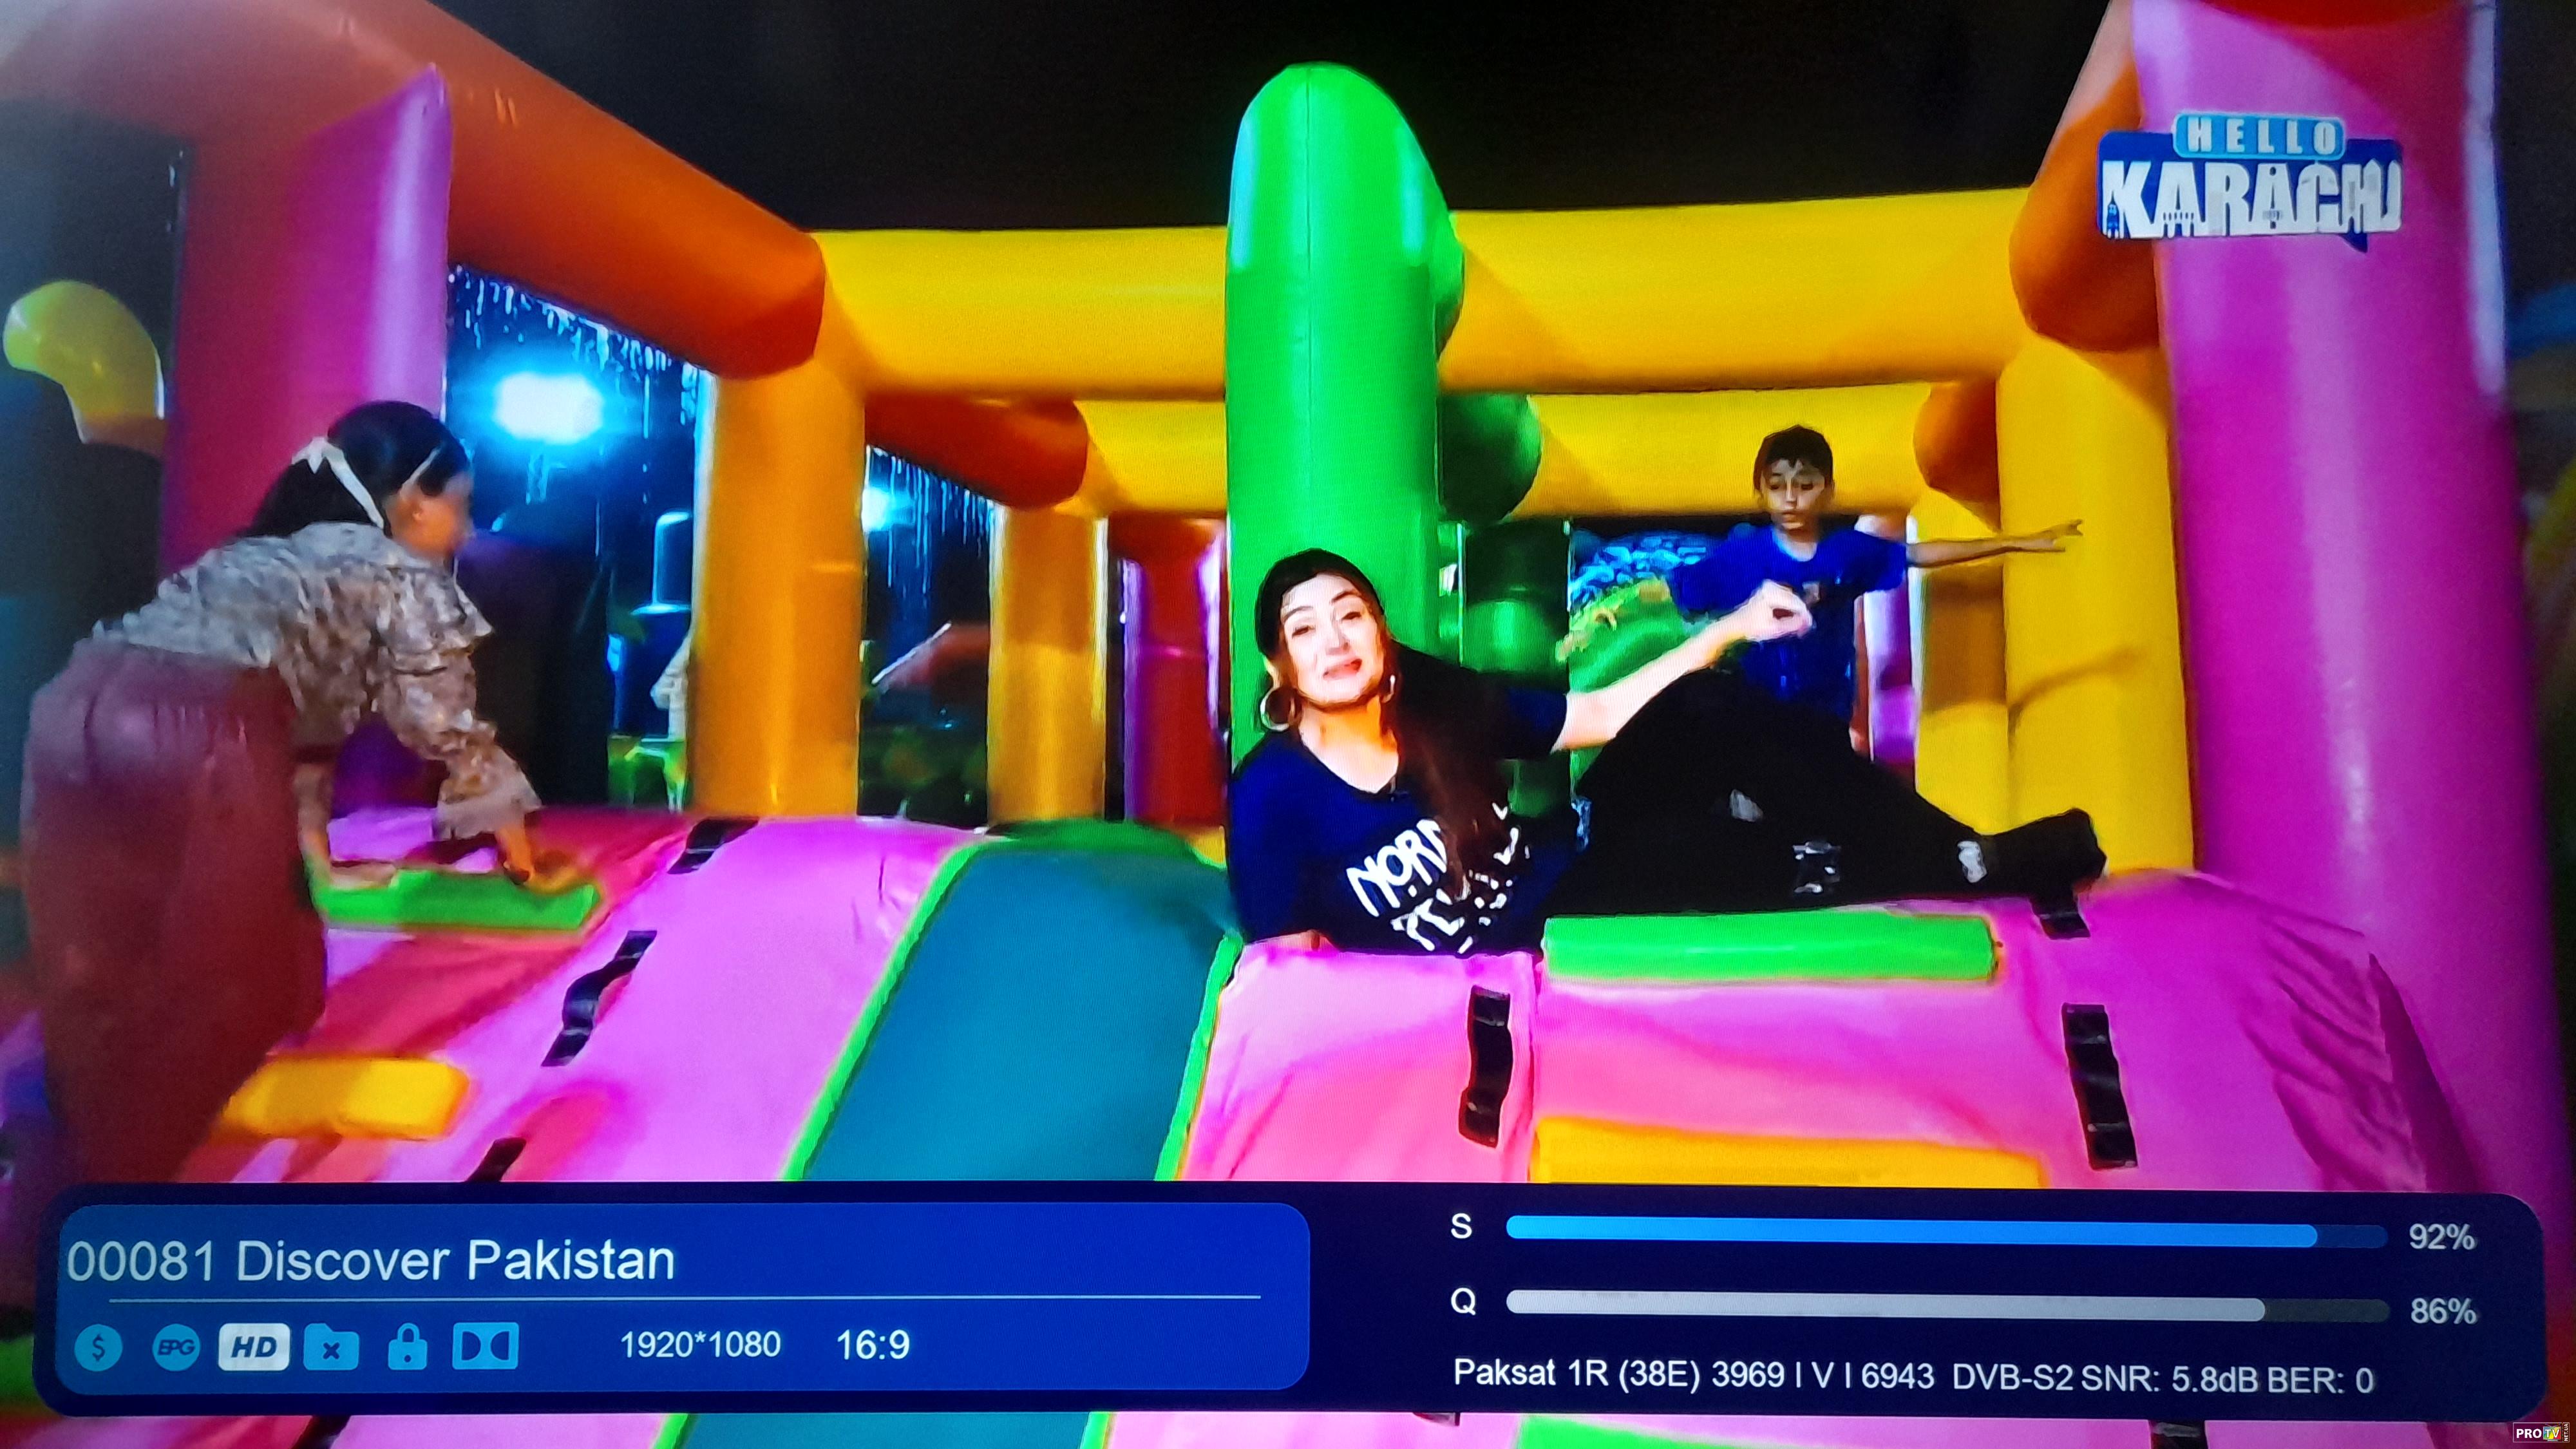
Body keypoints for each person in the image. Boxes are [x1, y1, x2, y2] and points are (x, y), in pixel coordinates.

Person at [17, 401, 569, 1197]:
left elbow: (302, 741)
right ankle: (140, 1208)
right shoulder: (395, 573)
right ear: (414, 502)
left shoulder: (261, 556)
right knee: (250, 985)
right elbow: (446, 724)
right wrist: (519, 852)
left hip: (72, 713)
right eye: (463, 505)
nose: (469, 530)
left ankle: (49, 1187)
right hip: (196, 724)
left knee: (99, 965)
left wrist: (321, 866)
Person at [1227, 549, 2103, 956]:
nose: (1334, 641)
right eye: (1305, 629)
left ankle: (1965, 857)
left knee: (1700, 707)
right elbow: (1294, 972)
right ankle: (1919, 868)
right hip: (1527, 947)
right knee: (1689, 850)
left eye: (1351, 615)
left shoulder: (1433, 702)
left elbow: (1600, 714)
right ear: (1279, 666)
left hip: (1564, 860)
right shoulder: (1272, 796)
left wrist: (1722, 631)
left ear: (1380, 630)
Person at [1604, 424, 2078, 730]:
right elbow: (1673, 590)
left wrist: (2017, 541)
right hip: (1759, 718)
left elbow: (1917, 554)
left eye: (1805, 485)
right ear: (1761, 492)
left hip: (1826, 716)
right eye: (1778, 486)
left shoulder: (1847, 553)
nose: (1791, 499)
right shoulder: (1743, 557)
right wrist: (1609, 610)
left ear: (1827, 491)